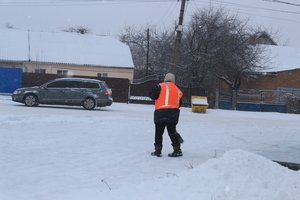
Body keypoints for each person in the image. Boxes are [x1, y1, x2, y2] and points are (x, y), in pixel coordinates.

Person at [149, 73, 184, 157]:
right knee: (172, 132)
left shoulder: (159, 86)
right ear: (173, 80)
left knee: (159, 132)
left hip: (160, 112)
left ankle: (158, 150)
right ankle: (177, 149)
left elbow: (152, 96)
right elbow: (179, 104)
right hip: (173, 113)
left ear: (165, 79)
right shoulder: (178, 90)